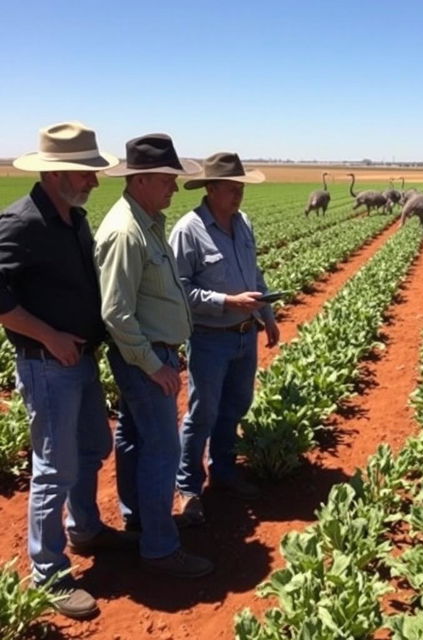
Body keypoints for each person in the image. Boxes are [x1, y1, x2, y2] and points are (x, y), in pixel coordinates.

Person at [0, 122, 136, 619]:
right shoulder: (20, 222)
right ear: (57, 172)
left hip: (79, 362)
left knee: (94, 447)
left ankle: (85, 529)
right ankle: (49, 574)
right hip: (46, 365)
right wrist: (48, 334)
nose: (94, 183)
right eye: (87, 174)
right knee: (54, 467)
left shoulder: (73, 219)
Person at [94, 133, 213, 577]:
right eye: (167, 180)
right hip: (146, 360)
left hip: (148, 356)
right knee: (162, 449)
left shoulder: (144, 221)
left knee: (134, 440)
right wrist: (154, 365)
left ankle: (139, 521)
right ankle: (161, 548)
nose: (174, 188)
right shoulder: (127, 231)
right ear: (142, 179)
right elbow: (117, 312)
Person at [168, 152, 279, 523]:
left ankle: (224, 470)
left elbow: (255, 275)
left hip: (246, 336)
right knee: (202, 413)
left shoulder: (243, 223)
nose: (238, 196)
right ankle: (188, 488)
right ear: (211, 188)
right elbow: (178, 290)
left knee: (235, 406)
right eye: (231, 189)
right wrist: (226, 301)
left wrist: (268, 314)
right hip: (210, 338)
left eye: (241, 189)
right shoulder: (189, 230)